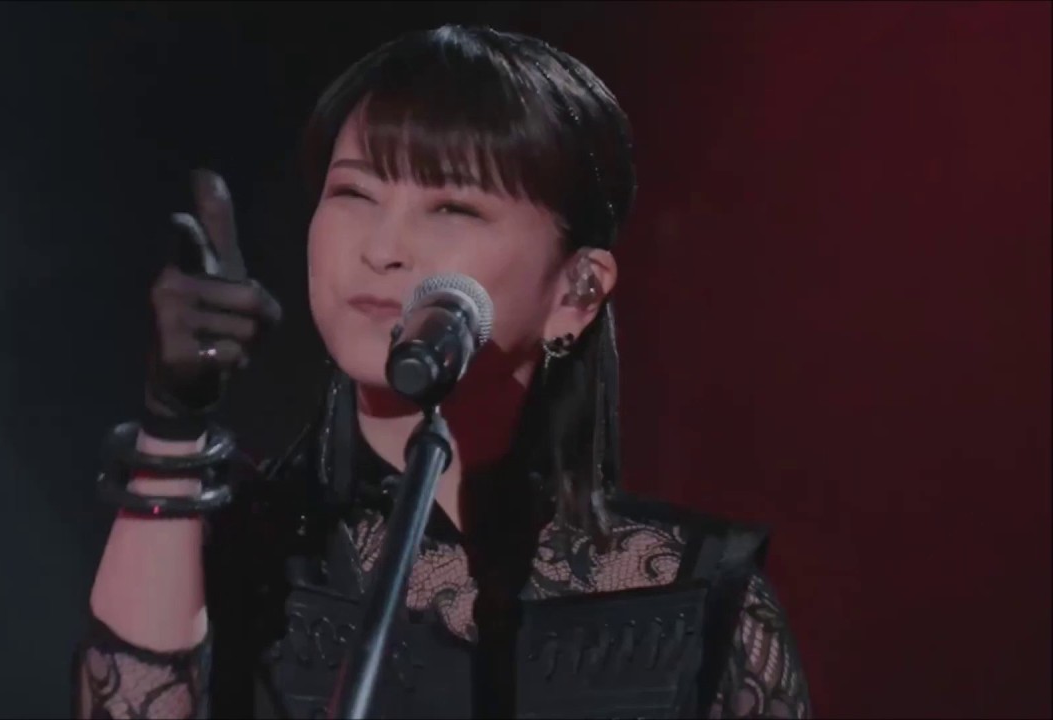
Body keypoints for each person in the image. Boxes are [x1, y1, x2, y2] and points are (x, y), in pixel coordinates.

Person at [74, 25, 811, 720]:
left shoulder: (696, 600)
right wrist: (173, 426)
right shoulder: (233, 556)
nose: (382, 248)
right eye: (354, 194)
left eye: (452, 207)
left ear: (577, 291)